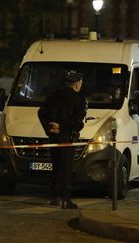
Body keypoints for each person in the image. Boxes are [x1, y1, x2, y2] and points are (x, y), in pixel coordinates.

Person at [38, 70, 86, 209]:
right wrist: (62, 126)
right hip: (66, 137)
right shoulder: (78, 99)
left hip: (53, 137)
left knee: (56, 167)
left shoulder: (52, 96)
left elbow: (41, 112)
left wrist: (49, 128)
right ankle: (65, 199)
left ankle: (54, 197)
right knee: (65, 169)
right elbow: (77, 122)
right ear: (77, 84)